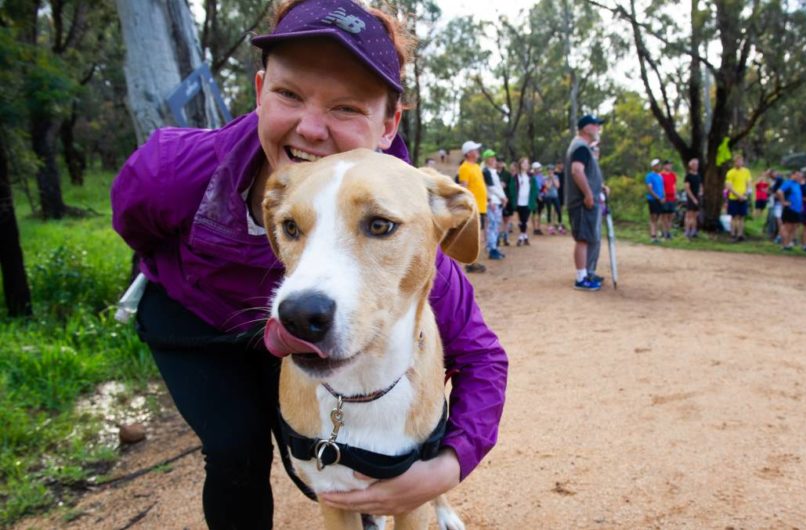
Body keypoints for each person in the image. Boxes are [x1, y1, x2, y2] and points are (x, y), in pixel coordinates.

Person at [110, 1, 508, 527]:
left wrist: (445, 470)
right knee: (235, 450)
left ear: (388, 124)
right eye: (289, 95)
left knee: (315, 467)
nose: (312, 129)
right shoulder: (168, 172)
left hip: (300, 322)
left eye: (346, 107)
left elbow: (482, 358)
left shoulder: (409, 211)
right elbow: (134, 225)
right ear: (259, 94)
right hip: (194, 318)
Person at [564, 114, 606, 291]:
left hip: (588, 200)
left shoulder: (584, 147)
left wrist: (599, 187)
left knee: (590, 237)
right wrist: (588, 194)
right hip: (582, 202)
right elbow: (577, 171)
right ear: (586, 128)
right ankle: (581, 278)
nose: (598, 129)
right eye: (596, 125)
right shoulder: (580, 147)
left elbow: (586, 172)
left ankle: (588, 272)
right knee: (583, 238)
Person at [457, 140, 488, 273]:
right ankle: (469, 263)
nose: (478, 151)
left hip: (481, 206)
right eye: (475, 150)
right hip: (473, 207)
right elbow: (464, 188)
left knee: (478, 236)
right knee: (473, 236)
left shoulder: (475, 166)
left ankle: (472, 262)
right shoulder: (464, 167)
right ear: (469, 153)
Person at [482, 149, 507, 260]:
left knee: (496, 225)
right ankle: (491, 249)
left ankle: (495, 247)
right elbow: (489, 187)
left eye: (494, 158)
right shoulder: (486, 171)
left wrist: (503, 197)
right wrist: (497, 198)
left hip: (498, 201)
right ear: (486, 159)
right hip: (492, 202)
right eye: (491, 158)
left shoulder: (494, 172)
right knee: (492, 225)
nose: (494, 160)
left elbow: (498, 187)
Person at [508, 157, 537, 246]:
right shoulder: (516, 177)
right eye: (524, 163)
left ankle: (521, 237)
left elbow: (534, 189)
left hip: (528, 201)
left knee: (524, 219)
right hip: (519, 201)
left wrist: (534, 198)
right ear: (520, 165)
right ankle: (524, 237)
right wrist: (513, 198)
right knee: (521, 219)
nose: (526, 165)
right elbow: (511, 188)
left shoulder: (531, 177)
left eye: (527, 163)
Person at [724, 154, 751, 242]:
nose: (739, 163)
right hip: (734, 198)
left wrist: (745, 194)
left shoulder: (746, 171)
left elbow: (748, 183)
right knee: (734, 217)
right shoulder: (730, 172)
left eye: (740, 161)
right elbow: (729, 187)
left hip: (743, 197)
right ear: (734, 163)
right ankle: (733, 234)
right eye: (737, 161)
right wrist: (738, 195)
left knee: (741, 217)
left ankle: (740, 234)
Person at [777, 169, 804, 251]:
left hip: (797, 209)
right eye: (798, 175)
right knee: (787, 227)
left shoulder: (797, 184)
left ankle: (788, 244)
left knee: (793, 227)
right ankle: (784, 245)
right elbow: (779, 191)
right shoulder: (789, 183)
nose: (800, 177)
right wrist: (783, 202)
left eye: (800, 175)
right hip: (790, 209)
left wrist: (801, 206)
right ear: (793, 175)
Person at [645, 159, 665, 244]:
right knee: (653, 217)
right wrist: (658, 198)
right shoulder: (649, 176)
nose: (658, 166)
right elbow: (650, 189)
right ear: (653, 166)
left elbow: (662, 188)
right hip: (653, 199)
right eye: (656, 165)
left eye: (659, 165)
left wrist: (663, 197)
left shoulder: (660, 176)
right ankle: (653, 236)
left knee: (658, 217)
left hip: (660, 199)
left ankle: (656, 235)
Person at [683, 158, 702, 240]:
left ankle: (694, 231)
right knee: (689, 215)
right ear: (690, 166)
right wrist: (693, 198)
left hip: (697, 197)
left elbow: (701, 185)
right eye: (694, 165)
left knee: (695, 215)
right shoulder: (688, 176)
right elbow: (687, 188)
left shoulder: (698, 175)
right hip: (691, 197)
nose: (696, 166)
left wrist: (701, 193)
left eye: (697, 165)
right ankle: (688, 230)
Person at [660, 160, 678, 240]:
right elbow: (661, 186)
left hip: (672, 197)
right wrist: (662, 196)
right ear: (664, 166)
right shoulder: (661, 175)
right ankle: (664, 232)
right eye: (668, 165)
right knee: (664, 216)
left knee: (671, 215)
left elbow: (674, 185)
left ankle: (668, 232)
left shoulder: (673, 175)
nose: (670, 167)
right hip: (665, 197)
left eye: (671, 165)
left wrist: (676, 194)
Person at [544, 163, 564, 234]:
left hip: (555, 196)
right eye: (549, 170)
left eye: (551, 170)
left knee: (559, 210)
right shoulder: (545, 178)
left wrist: (552, 178)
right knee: (549, 211)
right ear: (547, 171)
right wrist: (550, 179)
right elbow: (548, 187)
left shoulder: (556, 177)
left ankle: (560, 226)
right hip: (548, 196)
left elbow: (557, 186)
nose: (550, 171)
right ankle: (550, 226)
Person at [498, 159, 514, 246]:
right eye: (498, 161)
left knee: (506, 219)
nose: (500, 163)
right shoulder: (493, 172)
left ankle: (505, 237)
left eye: (501, 161)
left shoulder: (507, 174)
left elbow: (508, 186)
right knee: (498, 220)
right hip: (497, 200)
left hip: (506, 198)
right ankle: (498, 237)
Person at [531, 161, 546, 235]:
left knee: (539, 212)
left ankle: (538, 228)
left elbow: (544, 186)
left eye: (539, 168)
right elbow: (533, 188)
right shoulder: (531, 177)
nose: (538, 170)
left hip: (541, 195)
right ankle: (534, 228)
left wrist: (542, 194)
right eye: (536, 168)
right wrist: (537, 195)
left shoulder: (541, 176)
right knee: (534, 212)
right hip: (534, 196)